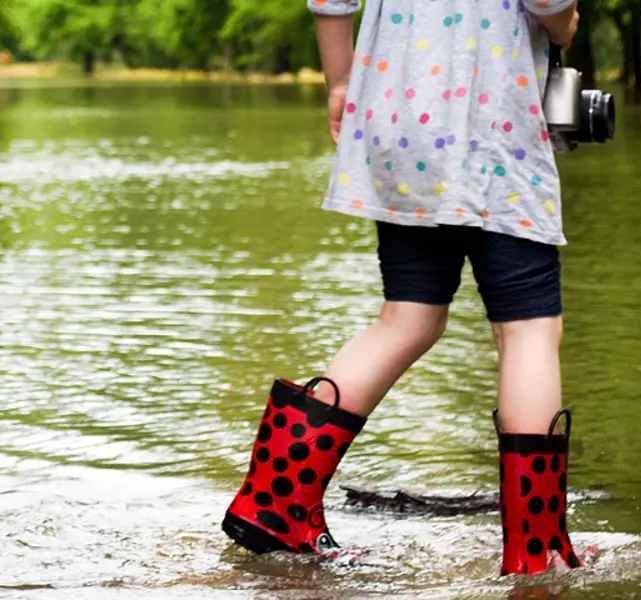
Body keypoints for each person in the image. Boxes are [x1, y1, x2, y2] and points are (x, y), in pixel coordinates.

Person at [221, 0, 585, 576]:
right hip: (495, 134)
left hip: (398, 126)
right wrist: (567, 25)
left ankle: (275, 504)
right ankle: (535, 551)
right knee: (528, 332)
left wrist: (340, 84)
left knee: (407, 318)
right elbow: (551, 6)